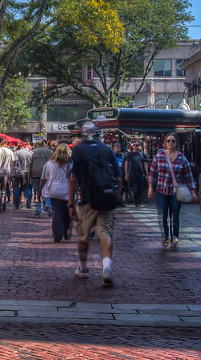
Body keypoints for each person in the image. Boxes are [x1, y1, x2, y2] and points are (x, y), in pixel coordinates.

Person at [68, 122, 121, 287]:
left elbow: (73, 179)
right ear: (97, 134)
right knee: (105, 233)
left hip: (87, 200)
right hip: (107, 198)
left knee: (83, 236)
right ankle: (106, 268)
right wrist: (115, 194)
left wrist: (71, 204)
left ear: (82, 135)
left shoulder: (77, 150)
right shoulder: (107, 150)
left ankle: (83, 268)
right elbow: (119, 178)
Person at [147, 134, 197, 251]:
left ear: (176, 143)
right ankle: (165, 236)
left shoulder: (182, 158)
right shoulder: (159, 156)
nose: (170, 143)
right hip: (161, 191)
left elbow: (189, 176)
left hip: (176, 192)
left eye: (173, 141)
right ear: (165, 143)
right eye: (168, 141)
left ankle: (174, 239)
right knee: (163, 215)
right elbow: (152, 174)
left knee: (175, 216)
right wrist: (150, 188)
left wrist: (193, 192)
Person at [41, 144, 73, 242]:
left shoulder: (49, 163)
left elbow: (44, 178)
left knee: (57, 212)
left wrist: (40, 190)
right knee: (67, 212)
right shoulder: (71, 164)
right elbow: (74, 178)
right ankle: (66, 231)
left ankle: (57, 234)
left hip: (54, 189)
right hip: (67, 189)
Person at [30, 139, 54, 217]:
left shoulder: (33, 152)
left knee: (38, 191)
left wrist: (29, 174)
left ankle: (40, 208)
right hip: (48, 174)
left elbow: (30, 164)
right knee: (48, 191)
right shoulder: (50, 152)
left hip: (36, 173)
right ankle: (48, 204)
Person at [124, 141, 148, 207]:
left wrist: (146, 174)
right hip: (133, 173)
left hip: (141, 173)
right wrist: (126, 174)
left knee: (141, 187)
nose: (135, 146)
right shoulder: (130, 154)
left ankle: (138, 200)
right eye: (134, 145)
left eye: (136, 145)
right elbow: (126, 164)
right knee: (135, 188)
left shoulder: (142, 154)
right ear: (132, 146)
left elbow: (145, 164)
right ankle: (136, 202)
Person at [13, 142, 33, 210]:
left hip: (17, 173)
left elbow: (13, 163)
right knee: (27, 187)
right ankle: (28, 199)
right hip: (27, 173)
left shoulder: (16, 153)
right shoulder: (31, 153)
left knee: (16, 188)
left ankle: (16, 204)